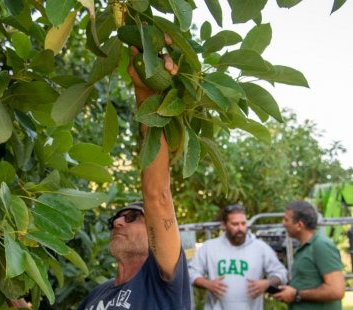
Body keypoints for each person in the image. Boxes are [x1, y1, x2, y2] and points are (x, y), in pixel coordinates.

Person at [76, 38, 191, 310]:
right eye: (116, 219)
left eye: (132, 217)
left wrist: (146, 96)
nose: (118, 223)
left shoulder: (162, 282)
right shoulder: (96, 296)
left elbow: (157, 198)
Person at [188, 204, 288, 309]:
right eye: (235, 224)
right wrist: (207, 284)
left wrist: (268, 283)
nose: (240, 228)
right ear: (224, 225)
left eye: (243, 223)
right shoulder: (209, 247)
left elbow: (281, 273)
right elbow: (191, 272)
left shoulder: (260, 248)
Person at [273, 200, 345, 309]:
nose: (283, 223)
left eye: (286, 220)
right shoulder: (305, 248)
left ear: (299, 225)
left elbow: (336, 290)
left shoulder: (321, 245)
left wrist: (296, 294)